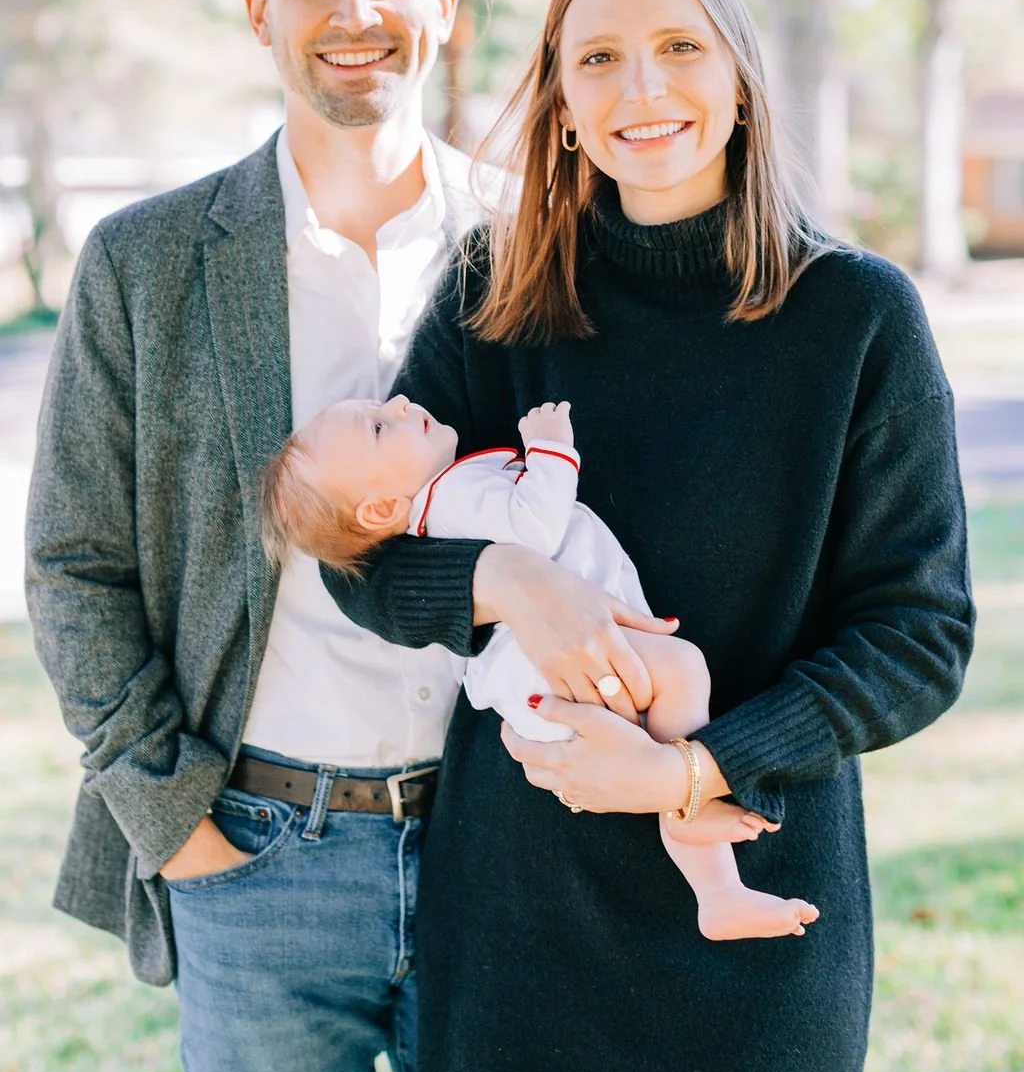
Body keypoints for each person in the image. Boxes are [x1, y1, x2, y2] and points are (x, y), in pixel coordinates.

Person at [321, 0, 975, 1072]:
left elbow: (919, 632)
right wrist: (505, 577)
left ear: (737, 77)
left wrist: (692, 772)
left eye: (678, 46)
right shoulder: (493, 291)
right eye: (599, 58)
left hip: (751, 890)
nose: (643, 89)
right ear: (562, 104)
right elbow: (364, 560)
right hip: (523, 915)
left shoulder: (854, 317)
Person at [25, 0, 578, 1072]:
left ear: (445, 5)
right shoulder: (149, 262)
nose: (354, 11)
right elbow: (72, 565)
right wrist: (179, 824)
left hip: (503, 852)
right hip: (259, 855)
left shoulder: (542, 245)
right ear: (260, 8)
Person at [261, 392, 820, 940]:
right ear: (381, 509)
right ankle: (690, 820)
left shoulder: (441, 510)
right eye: (380, 427)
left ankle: (718, 890)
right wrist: (551, 450)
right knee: (683, 671)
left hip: (544, 685)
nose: (401, 402)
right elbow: (535, 529)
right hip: (553, 675)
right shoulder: (453, 496)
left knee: (666, 711)